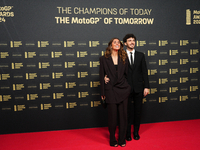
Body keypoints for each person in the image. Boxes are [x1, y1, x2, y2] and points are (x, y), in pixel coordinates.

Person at [104, 34, 149, 141]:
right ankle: (127, 134)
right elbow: (114, 70)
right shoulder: (122, 56)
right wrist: (105, 77)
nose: (132, 42)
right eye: (129, 40)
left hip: (138, 88)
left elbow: (144, 72)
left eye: (133, 40)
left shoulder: (141, 55)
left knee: (138, 112)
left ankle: (136, 132)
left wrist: (146, 86)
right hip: (124, 89)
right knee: (126, 113)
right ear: (125, 43)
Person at [100, 38, 131, 147]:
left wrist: (128, 87)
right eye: (115, 42)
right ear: (110, 45)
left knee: (123, 117)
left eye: (119, 42)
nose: (117, 44)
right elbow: (101, 75)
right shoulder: (104, 59)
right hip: (110, 91)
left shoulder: (124, 58)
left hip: (123, 90)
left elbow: (127, 74)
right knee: (112, 118)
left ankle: (122, 139)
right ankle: (112, 139)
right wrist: (103, 91)